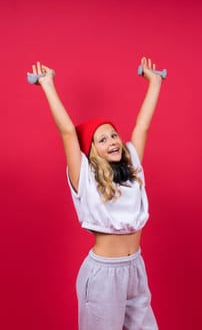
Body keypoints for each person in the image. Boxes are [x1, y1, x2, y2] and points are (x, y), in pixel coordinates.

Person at [28, 57, 163, 330]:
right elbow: (67, 132)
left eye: (113, 135)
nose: (113, 141)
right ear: (90, 151)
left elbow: (142, 126)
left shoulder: (132, 168)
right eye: (102, 140)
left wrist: (155, 82)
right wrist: (47, 84)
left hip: (135, 268)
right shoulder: (85, 179)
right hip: (104, 275)